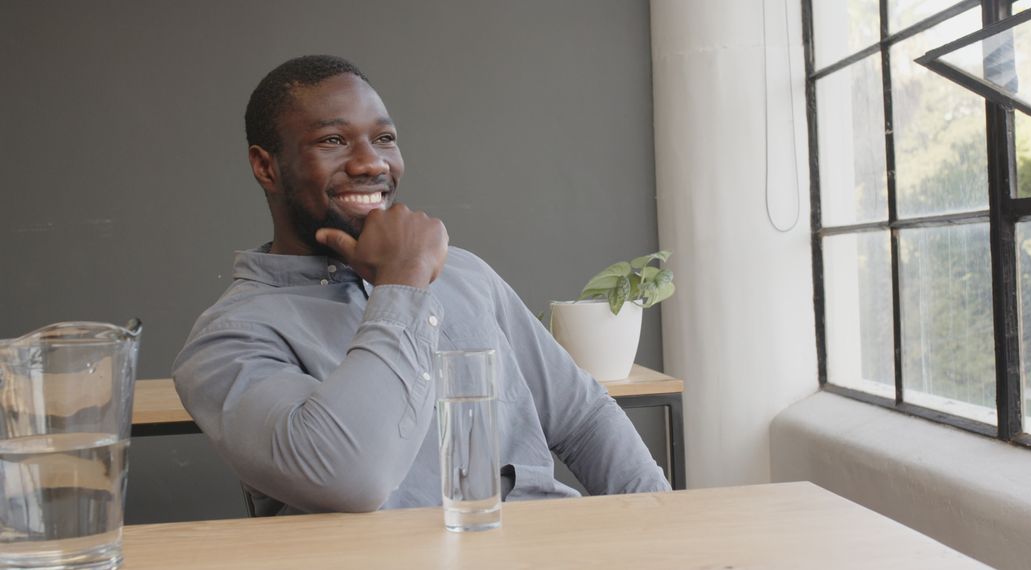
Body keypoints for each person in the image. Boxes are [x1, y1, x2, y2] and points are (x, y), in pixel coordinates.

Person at [173, 55, 670, 516]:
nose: (371, 163)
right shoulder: (227, 341)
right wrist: (403, 283)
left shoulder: (464, 274)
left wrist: (662, 528)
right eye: (333, 141)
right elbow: (353, 479)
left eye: (384, 138)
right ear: (266, 167)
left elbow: (582, 419)